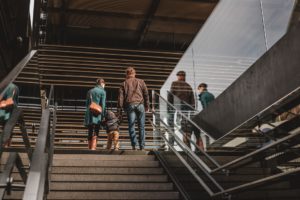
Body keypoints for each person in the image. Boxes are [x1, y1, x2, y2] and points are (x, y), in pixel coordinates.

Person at [118, 67, 149, 150]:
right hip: (140, 105)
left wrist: (119, 110)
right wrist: (147, 106)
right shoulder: (141, 81)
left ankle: (134, 145)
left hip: (130, 105)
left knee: (131, 125)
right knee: (141, 126)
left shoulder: (123, 83)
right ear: (134, 74)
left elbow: (120, 98)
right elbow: (146, 94)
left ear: (126, 74)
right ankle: (142, 146)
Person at [167, 70, 195, 147]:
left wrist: (169, 106)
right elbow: (192, 100)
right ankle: (186, 142)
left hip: (178, 107)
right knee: (184, 124)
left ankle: (173, 143)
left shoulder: (175, 83)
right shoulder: (188, 85)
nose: (179, 77)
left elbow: (170, 94)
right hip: (186, 108)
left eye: (179, 75)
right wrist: (193, 109)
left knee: (177, 123)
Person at [84, 78, 106, 150]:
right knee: (96, 130)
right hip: (97, 113)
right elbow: (103, 105)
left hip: (89, 113)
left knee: (90, 130)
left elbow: (87, 104)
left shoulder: (89, 91)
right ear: (102, 83)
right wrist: (103, 115)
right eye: (104, 84)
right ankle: (93, 147)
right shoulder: (102, 92)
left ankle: (89, 147)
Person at [197, 83, 215, 149]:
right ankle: (211, 146)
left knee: (206, 133)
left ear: (201, 88)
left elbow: (205, 106)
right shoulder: (211, 95)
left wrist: (205, 114)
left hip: (208, 115)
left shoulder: (203, 96)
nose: (199, 91)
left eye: (199, 89)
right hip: (214, 115)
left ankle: (208, 146)